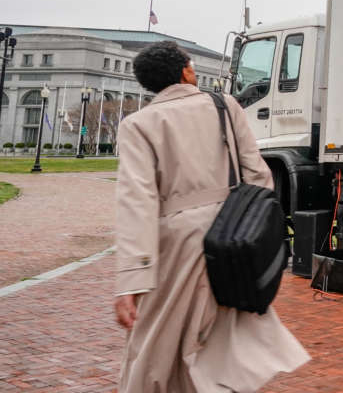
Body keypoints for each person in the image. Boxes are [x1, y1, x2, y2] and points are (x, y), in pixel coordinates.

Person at [114, 41, 308, 392]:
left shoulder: (138, 124)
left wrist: (131, 280)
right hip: (232, 236)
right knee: (224, 340)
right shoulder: (225, 105)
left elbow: (137, 202)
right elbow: (257, 174)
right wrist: (257, 230)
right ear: (187, 71)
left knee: (159, 343)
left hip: (175, 242)